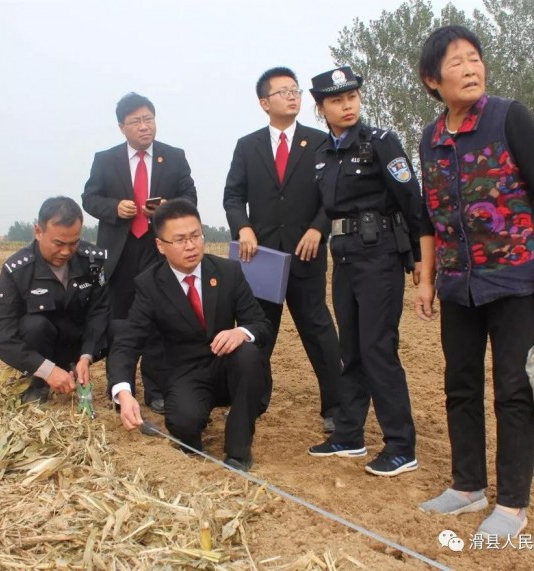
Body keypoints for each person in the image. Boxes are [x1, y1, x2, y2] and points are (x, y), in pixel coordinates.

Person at [415, 25, 534, 537]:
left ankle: (513, 504)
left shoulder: (509, 117)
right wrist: (427, 279)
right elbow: (429, 213)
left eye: (475, 58)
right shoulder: (431, 138)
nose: (470, 68)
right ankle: (467, 487)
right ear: (432, 79)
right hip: (458, 285)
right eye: (456, 62)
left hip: (514, 279)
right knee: (459, 384)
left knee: (512, 390)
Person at [306, 66, 423, 477]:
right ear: (321, 108)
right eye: (336, 100)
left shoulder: (380, 142)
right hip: (344, 258)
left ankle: (401, 445)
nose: (347, 105)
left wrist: (419, 258)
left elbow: (411, 198)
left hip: (380, 257)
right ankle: (349, 435)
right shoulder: (323, 154)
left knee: (377, 348)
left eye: (352, 97)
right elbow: (328, 208)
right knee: (351, 349)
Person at [106, 199, 272, 471]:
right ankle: (192, 420)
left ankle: (238, 449)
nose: (191, 245)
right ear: (160, 245)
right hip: (184, 373)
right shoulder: (149, 285)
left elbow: (260, 324)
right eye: (180, 240)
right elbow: (127, 342)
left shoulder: (228, 272)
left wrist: (241, 331)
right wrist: (123, 392)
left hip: (227, 365)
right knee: (185, 426)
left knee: (247, 353)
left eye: (196, 236)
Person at [223, 67, 342, 431]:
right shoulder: (248, 146)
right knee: (258, 333)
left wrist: (318, 229)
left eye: (295, 90)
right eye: (283, 91)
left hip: (306, 254)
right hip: (261, 258)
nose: (292, 96)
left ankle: (336, 408)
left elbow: (333, 195)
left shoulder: (320, 142)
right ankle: (252, 404)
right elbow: (233, 196)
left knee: (318, 331)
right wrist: (243, 227)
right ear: (264, 103)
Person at [82, 92, 197, 414]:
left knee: (160, 318)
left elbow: (189, 196)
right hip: (120, 251)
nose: (144, 126)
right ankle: (120, 387)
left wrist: (168, 208)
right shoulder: (105, 160)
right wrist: (114, 208)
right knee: (119, 322)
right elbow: (89, 198)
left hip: (158, 247)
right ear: (122, 127)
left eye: (149, 119)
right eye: (136, 121)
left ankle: (156, 389)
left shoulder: (174, 157)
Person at [0, 197, 109, 404]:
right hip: (41, 348)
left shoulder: (92, 262)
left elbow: (100, 310)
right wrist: (47, 370)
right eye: (58, 243)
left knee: (118, 325)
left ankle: (118, 390)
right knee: (34, 325)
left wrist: (87, 355)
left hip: (78, 343)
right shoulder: (18, 271)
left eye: (74, 243)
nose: (66, 252)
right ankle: (39, 384)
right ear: (38, 231)